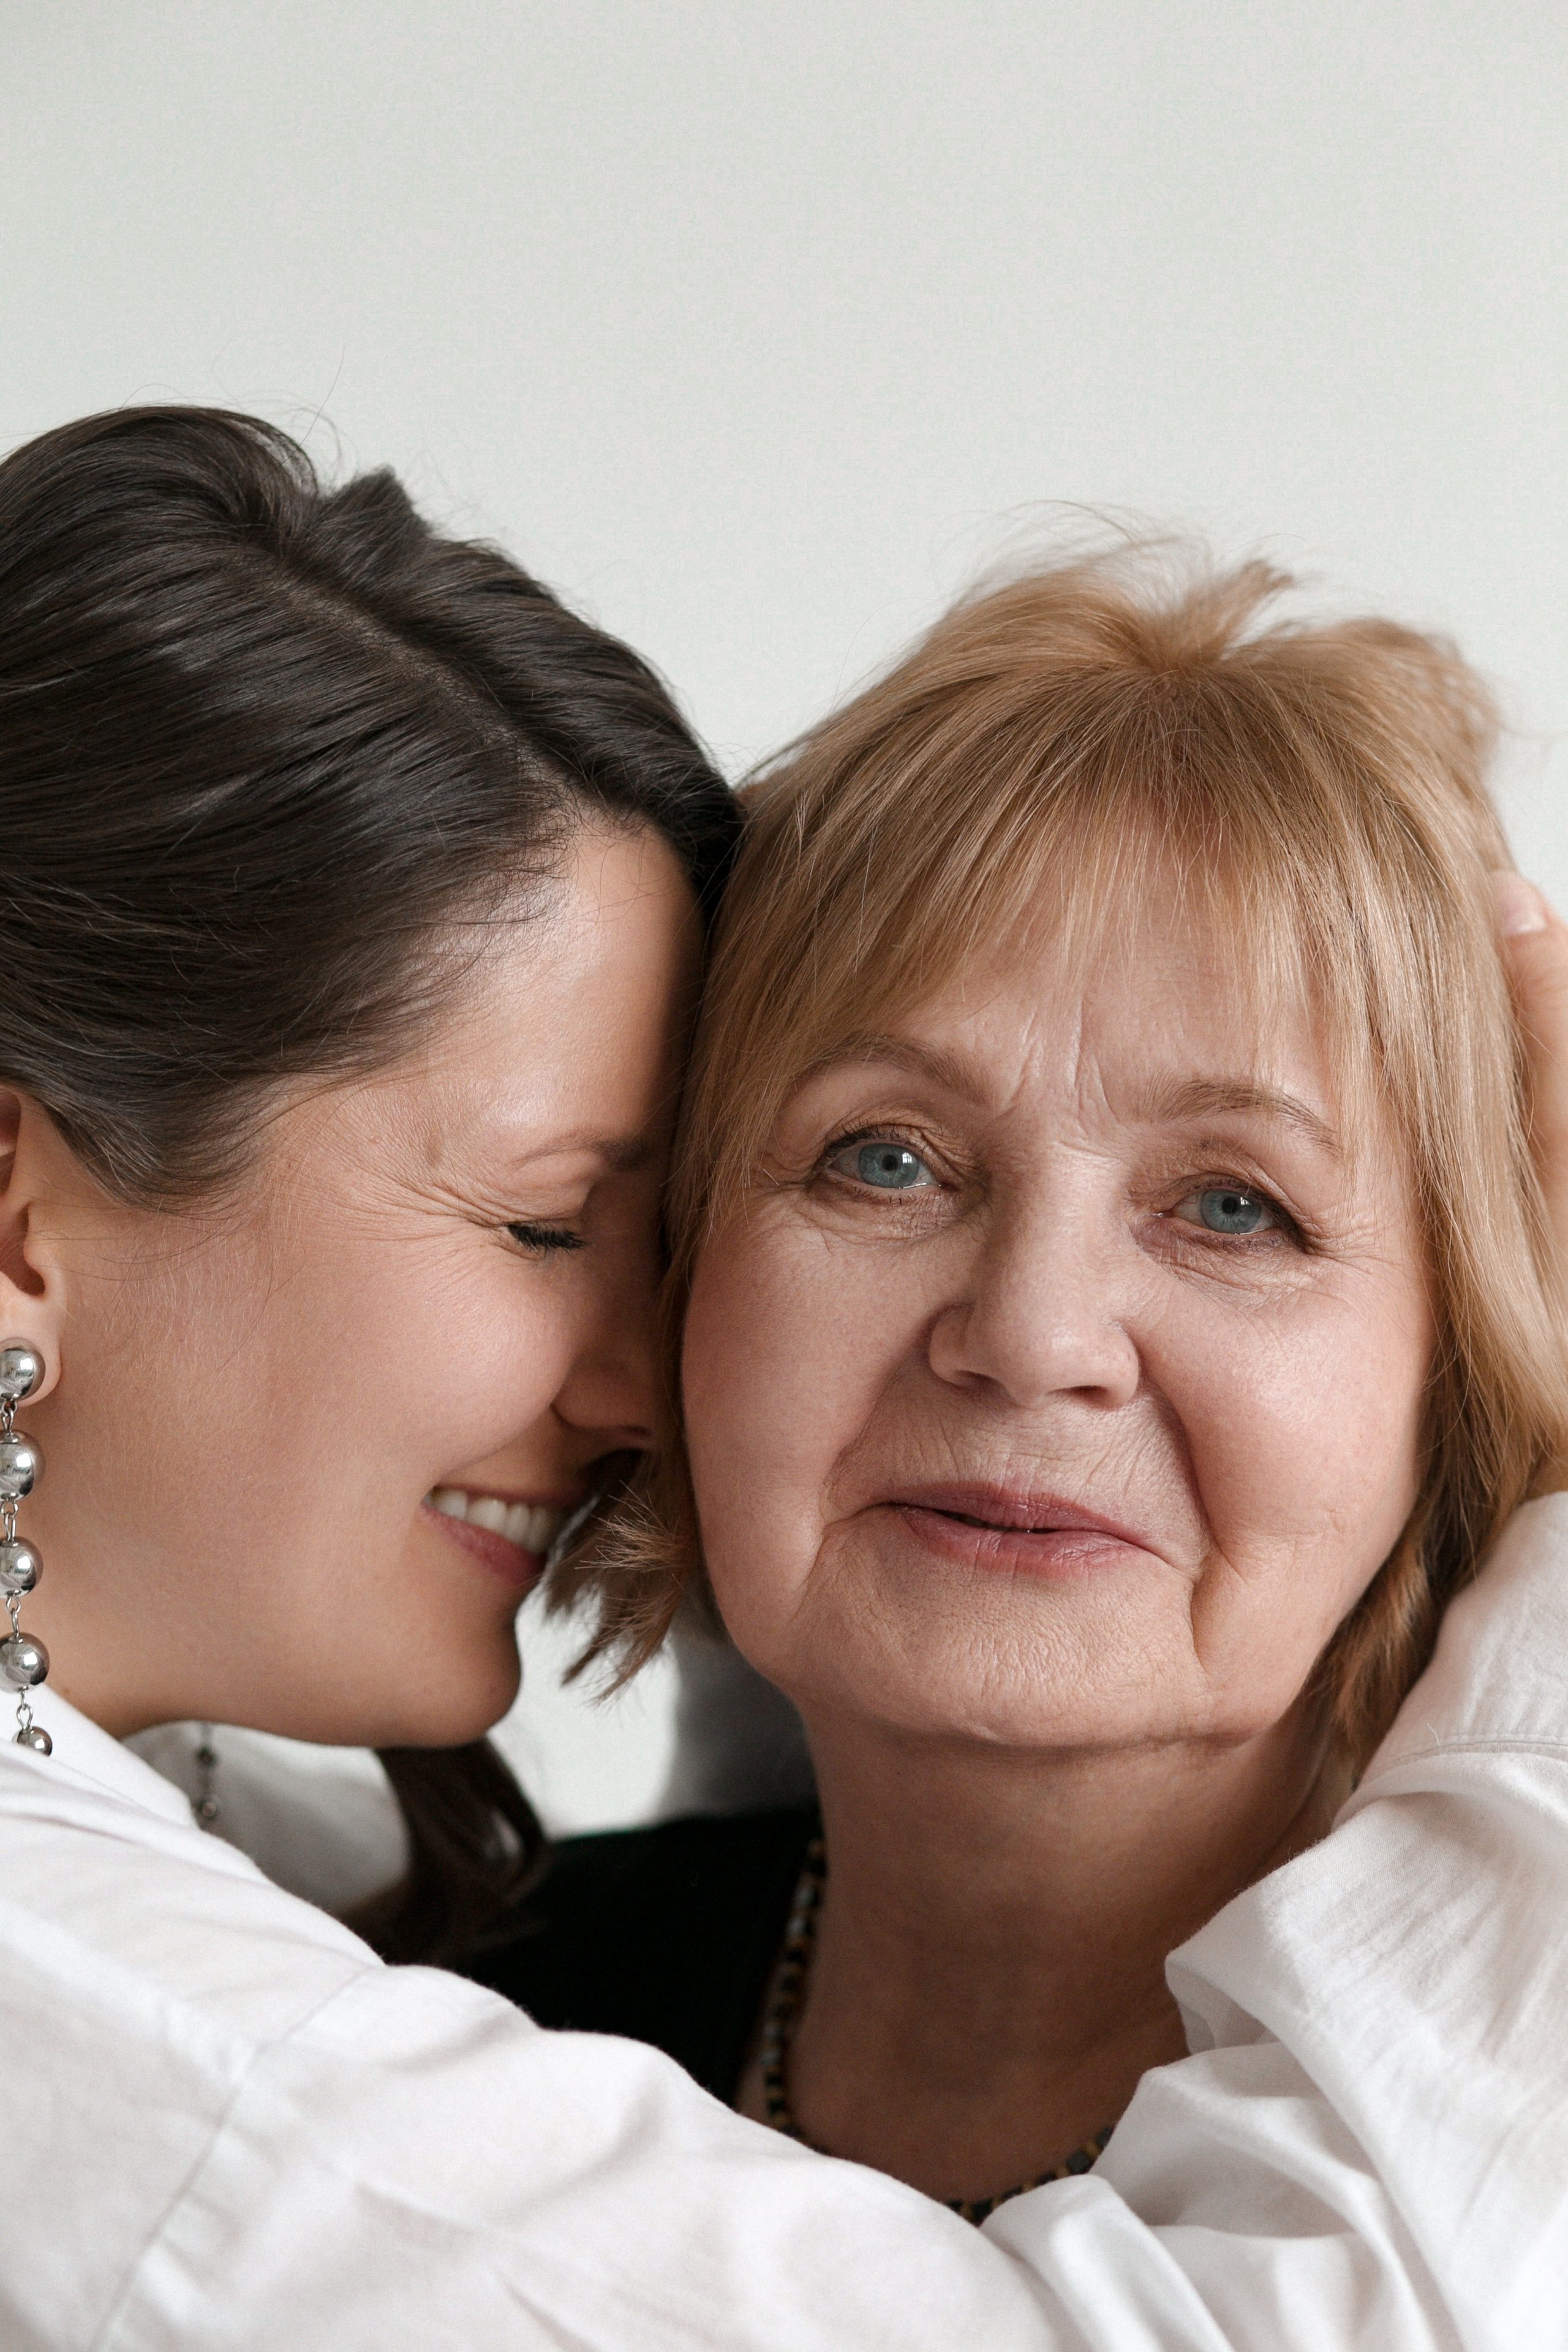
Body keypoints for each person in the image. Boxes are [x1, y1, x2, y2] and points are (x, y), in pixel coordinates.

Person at [0, 407, 1564, 2351]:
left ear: (1478, 1355)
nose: (1035, 1334)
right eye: (883, 1159)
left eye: (1235, 1205)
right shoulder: (418, 2000)